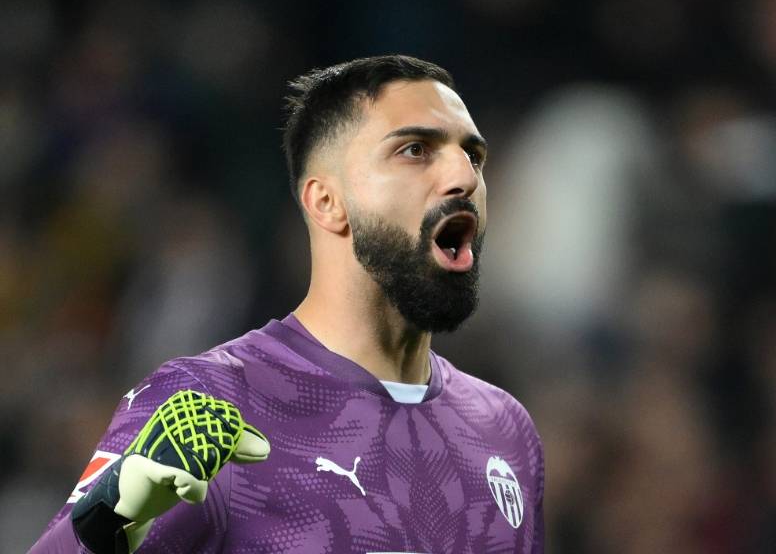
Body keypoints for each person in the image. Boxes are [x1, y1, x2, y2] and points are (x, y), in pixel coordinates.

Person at [30, 55, 544, 553]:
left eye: (473, 156)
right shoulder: (209, 403)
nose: (465, 177)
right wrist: (112, 515)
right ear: (327, 202)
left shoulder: (504, 428)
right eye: (415, 150)